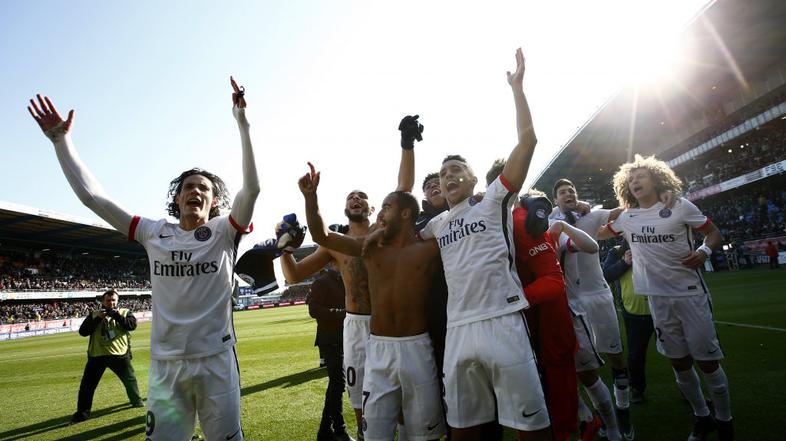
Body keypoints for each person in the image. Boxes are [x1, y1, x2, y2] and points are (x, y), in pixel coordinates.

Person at [28, 77, 259, 441]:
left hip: (216, 361)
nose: (195, 191)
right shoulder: (154, 232)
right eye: (188, 187)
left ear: (214, 201)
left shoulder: (224, 233)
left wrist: (242, 123)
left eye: (204, 188)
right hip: (166, 368)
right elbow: (94, 199)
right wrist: (61, 141)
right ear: (177, 199)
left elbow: (253, 189)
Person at [417, 48, 551, 441]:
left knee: (531, 427)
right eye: (443, 174)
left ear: (475, 179)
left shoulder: (493, 200)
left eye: (456, 169)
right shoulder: (437, 225)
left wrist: (518, 89)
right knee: (463, 430)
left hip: (503, 320)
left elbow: (528, 141)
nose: (448, 176)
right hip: (457, 329)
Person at [279, 116, 419, 441]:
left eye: (361, 196)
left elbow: (404, 189)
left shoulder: (384, 233)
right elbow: (295, 273)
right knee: (360, 399)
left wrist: (406, 145)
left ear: (373, 207)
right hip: (355, 327)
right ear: (344, 208)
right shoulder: (335, 246)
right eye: (349, 196)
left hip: (389, 321)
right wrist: (283, 248)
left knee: (399, 398)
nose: (355, 198)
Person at [299, 164, 446, 441]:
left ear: (405, 214)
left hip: (418, 348)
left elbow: (457, 216)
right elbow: (322, 236)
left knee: (421, 435)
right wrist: (311, 198)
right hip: (379, 349)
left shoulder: (429, 247)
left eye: (386, 208)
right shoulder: (369, 249)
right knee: (375, 433)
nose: (379, 214)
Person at [598, 154, 734, 441]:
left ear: (657, 180)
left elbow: (712, 233)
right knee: (678, 362)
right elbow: (597, 232)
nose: (635, 182)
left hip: (689, 295)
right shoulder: (627, 217)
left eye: (641, 177)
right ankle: (702, 416)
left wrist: (704, 252)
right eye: (631, 179)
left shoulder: (680, 206)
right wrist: (586, 212)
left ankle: (725, 421)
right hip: (656, 300)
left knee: (707, 362)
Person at [487, 162, 580, 441]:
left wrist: (510, 302)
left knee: (554, 400)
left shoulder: (521, 219)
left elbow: (552, 281)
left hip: (545, 325)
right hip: (522, 323)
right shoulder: (495, 219)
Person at [550, 178, 634, 440]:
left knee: (616, 356)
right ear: (555, 199)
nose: (568, 194)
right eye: (563, 192)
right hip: (571, 301)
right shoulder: (551, 218)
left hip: (598, 294)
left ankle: (623, 411)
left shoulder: (593, 214)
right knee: (582, 366)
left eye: (572, 190)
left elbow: (621, 213)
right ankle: (595, 418)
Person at [71, 289, 143, 423]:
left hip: (119, 355)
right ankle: (82, 413)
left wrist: (116, 316)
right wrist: (99, 319)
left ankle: (137, 401)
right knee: (87, 386)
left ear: (117, 301)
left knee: (130, 381)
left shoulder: (125, 312)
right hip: (97, 355)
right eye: (108, 300)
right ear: (103, 302)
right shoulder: (94, 314)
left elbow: (131, 326)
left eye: (113, 300)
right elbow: (83, 332)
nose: (111, 303)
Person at [603, 240, 654, 405]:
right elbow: (606, 275)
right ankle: (637, 389)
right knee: (636, 354)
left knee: (677, 350)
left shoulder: (653, 243)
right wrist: (624, 262)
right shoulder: (616, 251)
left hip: (662, 306)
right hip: (634, 311)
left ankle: (687, 387)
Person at [307, 268, 351, 441]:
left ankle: (325, 431)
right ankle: (339, 430)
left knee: (336, 385)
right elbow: (314, 310)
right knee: (338, 384)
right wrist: (343, 313)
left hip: (342, 338)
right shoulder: (322, 282)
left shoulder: (344, 279)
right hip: (330, 339)